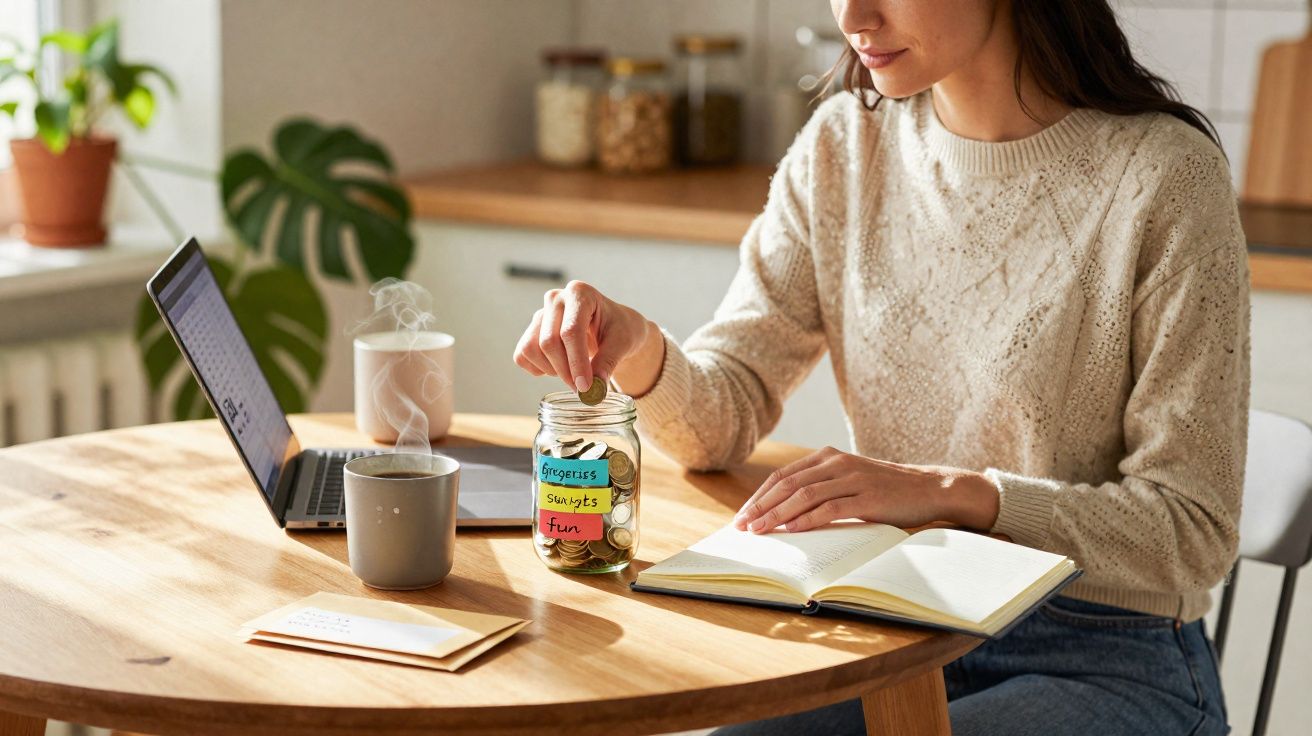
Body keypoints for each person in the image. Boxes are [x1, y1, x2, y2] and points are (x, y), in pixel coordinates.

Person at [513, 1, 1247, 733]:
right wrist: (639, 348)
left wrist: (957, 494)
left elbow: (1193, 529)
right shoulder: (844, 147)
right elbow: (723, 418)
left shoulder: (1165, 179)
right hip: (896, 634)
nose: (853, 15)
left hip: (1102, 656)